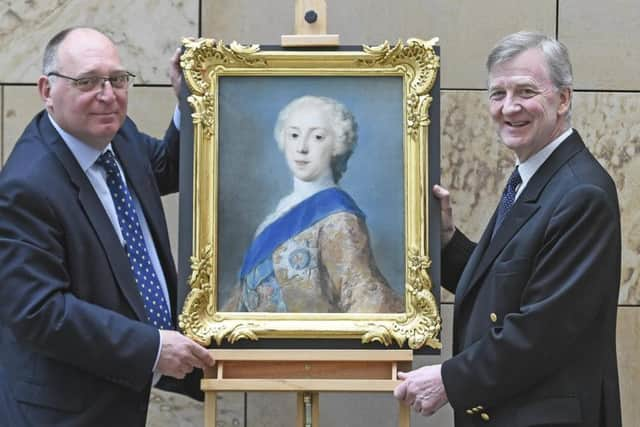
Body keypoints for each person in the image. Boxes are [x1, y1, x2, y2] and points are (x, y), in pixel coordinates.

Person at [394, 31, 622, 426]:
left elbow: (543, 330)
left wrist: (449, 379)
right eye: (497, 94)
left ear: (563, 99)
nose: (509, 107)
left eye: (525, 91)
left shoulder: (582, 193)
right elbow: (508, 286)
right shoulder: (535, 177)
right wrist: (447, 244)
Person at [0, 27, 215, 426]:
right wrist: (151, 348)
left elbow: (167, 167)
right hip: (60, 411)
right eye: (87, 82)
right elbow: (39, 312)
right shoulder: (25, 186)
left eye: (117, 79)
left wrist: (191, 96)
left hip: (116, 396)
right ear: (47, 90)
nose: (107, 94)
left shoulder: (118, 133)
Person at [223, 95, 403, 313]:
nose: (302, 147)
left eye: (317, 137)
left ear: (337, 143)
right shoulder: (278, 212)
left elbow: (363, 295)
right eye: (294, 135)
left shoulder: (340, 218)